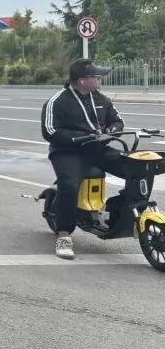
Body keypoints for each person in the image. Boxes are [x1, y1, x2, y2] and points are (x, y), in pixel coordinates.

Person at [40, 59, 125, 260]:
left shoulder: (102, 99)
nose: (100, 80)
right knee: (69, 185)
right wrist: (79, 137)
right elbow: (50, 131)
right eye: (96, 77)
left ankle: (118, 212)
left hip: (98, 149)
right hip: (68, 152)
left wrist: (112, 131)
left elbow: (117, 121)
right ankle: (64, 236)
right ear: (82, 81)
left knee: (135, 166)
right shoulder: (57, 101)